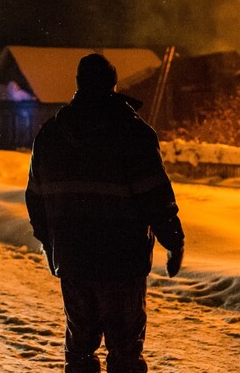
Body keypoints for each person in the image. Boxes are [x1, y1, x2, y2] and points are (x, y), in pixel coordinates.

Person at [25, 53, 185, 373]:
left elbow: (36, 198)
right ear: (113, 84)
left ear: (78, 84)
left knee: (81, 346)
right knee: (125, 346)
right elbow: (153, 193)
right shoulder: (133, 133)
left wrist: (51, 241)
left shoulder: (51, 134)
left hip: (73, 257)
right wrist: (173, 238)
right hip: (122, 260)